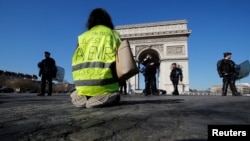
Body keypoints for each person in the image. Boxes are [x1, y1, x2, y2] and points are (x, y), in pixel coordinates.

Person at [71, 8, 121, 108]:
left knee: (83, 89)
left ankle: (82, 94)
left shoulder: (82, 37)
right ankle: (108, 94)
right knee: (114, 92)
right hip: (106, 85)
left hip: (81, 84)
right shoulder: (113, 34)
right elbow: (122, 60)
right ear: (108, 20)